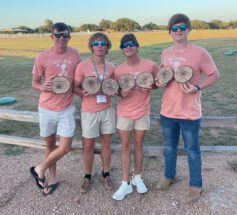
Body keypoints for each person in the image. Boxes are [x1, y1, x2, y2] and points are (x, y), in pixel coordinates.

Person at [156, 14, 220, 203]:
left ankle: (195, 185)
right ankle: (169, 176)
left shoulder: (200, 52)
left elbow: (214, 75)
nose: (178, 31)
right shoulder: (165, 53)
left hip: (189, 112)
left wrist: (197, 87)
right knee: (169, 148)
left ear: (189, 29)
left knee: (192, 150)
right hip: (167, 110)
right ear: (169, 32)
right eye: (174, 28)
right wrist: (160, 81)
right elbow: (163, 74)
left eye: (182, 27)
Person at [30, 22, 81, 196]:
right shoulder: (42, 57)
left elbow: (77, 80)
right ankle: (51, 179)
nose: (61, 38)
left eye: (65, 35)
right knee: (50, 145)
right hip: (46, 108)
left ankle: (39, 168)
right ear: (51, 37)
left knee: (65, 147)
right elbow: (35, 82)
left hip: (66, 108)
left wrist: (85, 91)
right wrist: (43, 87)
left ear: (69, 37)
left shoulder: (75, 54)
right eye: (58, 35)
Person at [112, 34, 158, 201]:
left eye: (131, 44)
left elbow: (157, 83)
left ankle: (137, 176)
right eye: (124, 45)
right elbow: (114, 90)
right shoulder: (118, 70)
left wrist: (151, 87)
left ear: (137, 46)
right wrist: (120, 93)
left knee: (139, 145)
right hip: (124, 113)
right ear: (122, 49)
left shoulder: (151, 65)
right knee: (125, 146)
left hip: (142, 113)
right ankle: (125, 183)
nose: (128, 47)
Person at [74, 32, 116, 193]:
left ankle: (106, 174)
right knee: (89, 145)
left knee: (106, 144)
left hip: (107, 110)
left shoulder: (111, 67)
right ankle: (87, 176)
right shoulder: (82, 66)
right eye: (96, 43)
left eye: (103, 43)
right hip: (89, 111)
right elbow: (75, 87)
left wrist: (114, 91)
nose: (99, 46)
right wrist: (82, 93)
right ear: (91, 46)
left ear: (107, 46)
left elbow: (115, 86)